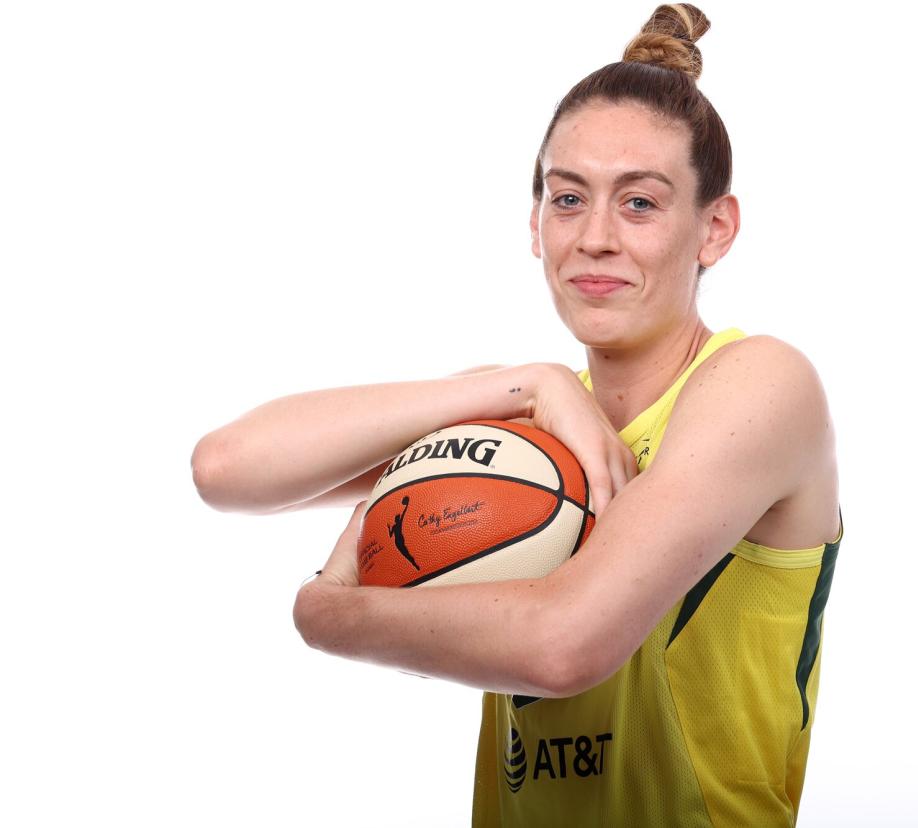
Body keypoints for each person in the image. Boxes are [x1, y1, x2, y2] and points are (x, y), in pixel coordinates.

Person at [191, 4, 842, 825]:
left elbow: (565, 643)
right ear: (535, 225)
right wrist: (524, 383)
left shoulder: (759, 386)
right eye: (568, 200)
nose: (596, 237)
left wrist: (328, 613)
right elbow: (227, 468)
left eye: (639, 204)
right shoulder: (524, 422)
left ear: (715, 229)